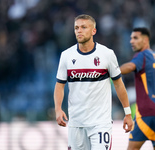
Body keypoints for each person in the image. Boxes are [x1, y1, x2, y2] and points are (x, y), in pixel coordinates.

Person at [54, 14, 133, 150]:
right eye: (76, 28)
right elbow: (60, 85)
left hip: (100, 123)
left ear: (93, 31)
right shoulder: (66, 55)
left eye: (84, 27)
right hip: (76, 123)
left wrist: (128, 113)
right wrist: (58, 109)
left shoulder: (107, 54)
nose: (79, 30)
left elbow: (118, 84)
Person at [120, 27, 155, 150]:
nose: (131, 41)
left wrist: (112, 71)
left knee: (132, 148)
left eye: (135, 38)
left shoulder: (142, 55)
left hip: (147, 111)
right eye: (131, 38)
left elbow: (131, 66)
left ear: (146, 39)